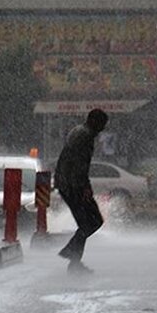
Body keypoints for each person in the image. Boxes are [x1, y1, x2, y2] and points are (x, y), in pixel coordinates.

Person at [55, 108, 108, 274]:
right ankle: (72, 255)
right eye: (102, 125)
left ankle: (73, 257)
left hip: (67, 183)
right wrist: (84, 187)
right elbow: (79, 164)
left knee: (89, 222)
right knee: (93, 221)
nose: (103, 129)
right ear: (95, 122)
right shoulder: (85, 136)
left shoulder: (79, 131)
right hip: (72, 185)